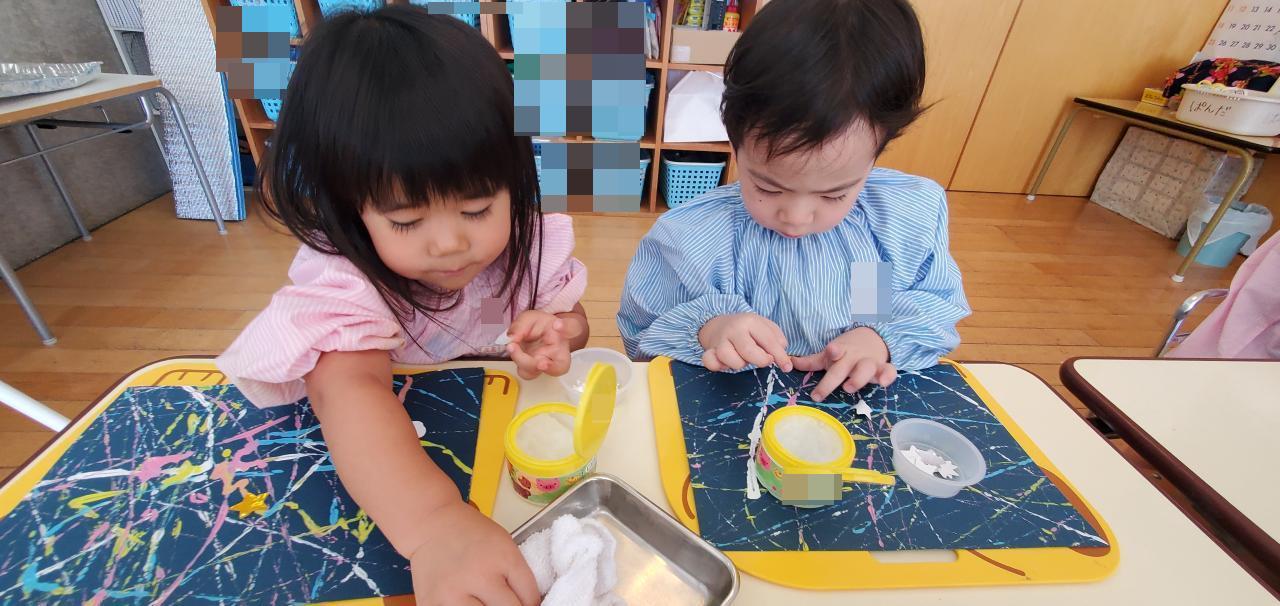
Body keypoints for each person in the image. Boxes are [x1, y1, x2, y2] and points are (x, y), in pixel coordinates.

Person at [217, 7, 590, 604]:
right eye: (407, 220)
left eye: (476, 209)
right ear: (351, 208)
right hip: (401, 464)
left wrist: (560, 331)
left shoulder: (527, 244)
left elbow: (574, 319)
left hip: (507, 438)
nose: (450, 244)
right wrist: (434, 525)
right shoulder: (349, 282)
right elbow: (347, 389)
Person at [618, 0, 970, 402]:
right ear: (735, 141)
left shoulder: (891, 225)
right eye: (768, 188)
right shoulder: (693, 238)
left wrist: (878, 336)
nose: (797, 218)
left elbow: (925, 304)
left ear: (878, 151)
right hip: (731, 413)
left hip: (858, 415)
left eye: (835, 194)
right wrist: (708, 329)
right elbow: (641, 341)